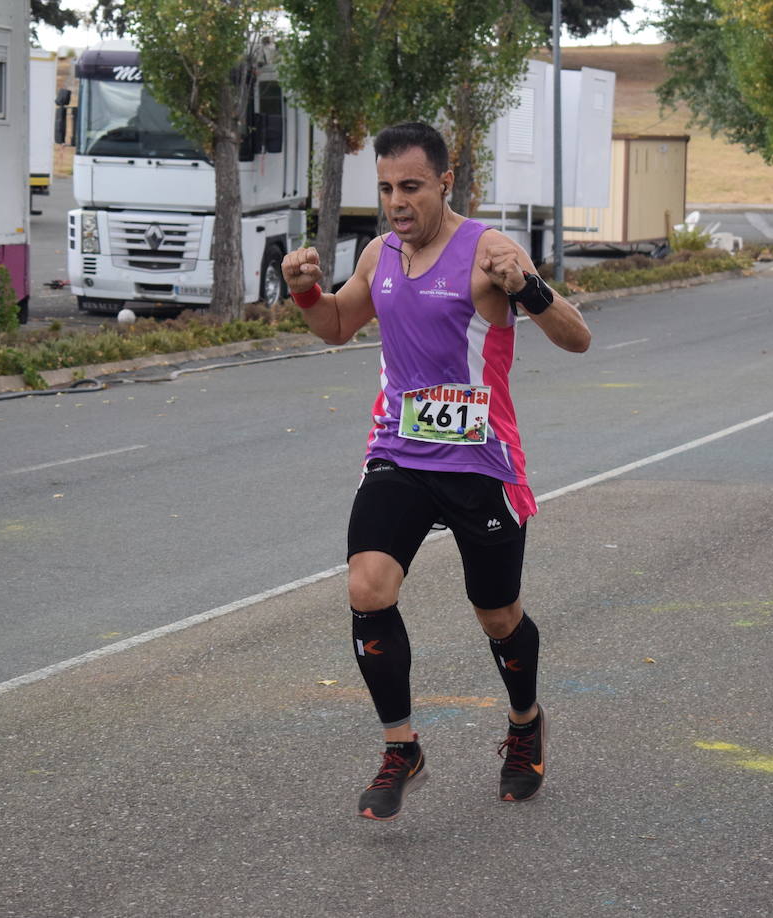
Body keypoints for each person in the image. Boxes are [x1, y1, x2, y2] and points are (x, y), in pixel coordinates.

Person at [281, 121, 591, 821]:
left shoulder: (488, 252)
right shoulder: (379, 255)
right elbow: (336, 326)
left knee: (497, 613)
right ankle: (402, 747)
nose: (397, 202)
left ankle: (525, 724)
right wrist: (305, 293)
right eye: (386, 188)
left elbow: (578, 338)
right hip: (399, 451)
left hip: (480, 462)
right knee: (367, 586)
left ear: (445, 182)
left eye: (412, 187)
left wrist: (530, 289)